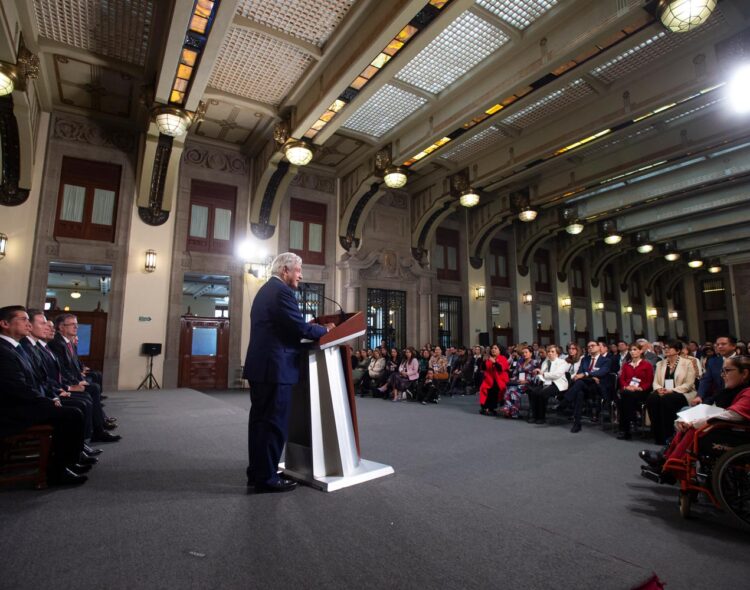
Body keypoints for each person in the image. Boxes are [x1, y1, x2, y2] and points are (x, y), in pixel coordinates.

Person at [243, 253, 334, 494]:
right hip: (275, 368)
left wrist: (312, 328)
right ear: (285, 270)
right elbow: (299, 327)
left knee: (260, 424)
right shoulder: (281, 292)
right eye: (298, 270)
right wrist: (324, 329)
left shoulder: (266, 290)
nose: (301, 275)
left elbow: (287, 327)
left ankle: (259, 472)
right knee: (273, 424)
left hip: (263, 367)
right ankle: (267, 479)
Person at [0, 305, 88, 486]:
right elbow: (17, 388)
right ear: (4, 323)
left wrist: (50, 397)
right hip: (12, 411)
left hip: (25, 403)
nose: (28, 325)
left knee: (75, 409)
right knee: (72, 413)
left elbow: (37, 380)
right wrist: (48, 401)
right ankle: (57, 471)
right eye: (23, 320)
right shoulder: (4, 351)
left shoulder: (16, 348)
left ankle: (69, 461)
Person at [640, 356, 750, 476]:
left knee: (694, 429)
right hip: (727, 429)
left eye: (727, 370)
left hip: (739, 435)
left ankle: (671, 467)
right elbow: (711, 407)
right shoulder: (729, 391)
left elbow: (733, 415)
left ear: (744, 373)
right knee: (685, 420)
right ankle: (666, 458)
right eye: (722, 371)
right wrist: (686, 419)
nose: (723, 375)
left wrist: (696, 422)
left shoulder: (747, 392)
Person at [645, 340, 696, 445]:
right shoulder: (660, 364)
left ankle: (669, 435)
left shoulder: (687, 363)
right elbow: (656, 382)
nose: (666, 350)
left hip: (682, 392)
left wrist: (672, 390)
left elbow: (689, 384)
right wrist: (659, 389)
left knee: (667, 399)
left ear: (677, 350)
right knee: (652, 398)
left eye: (669, 348)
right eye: (665, 348)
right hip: (663, 392)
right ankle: (658, 435)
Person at [559, 341, 613, 433]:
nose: (590, 347)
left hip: (597, 387)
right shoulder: (585, 359)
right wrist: (591, 376)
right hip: (586, 386)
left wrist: (586, 374)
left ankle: (565, 401)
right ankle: (577, 423)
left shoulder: (606, 360)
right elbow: (580, 372)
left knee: (579, 384)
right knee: (579, 392)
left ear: (599, 347)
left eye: (592, 346)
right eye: (588, 346)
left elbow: (602, 372)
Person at [616, 342, 654, 440]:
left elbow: (649, 381)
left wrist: (640, 388)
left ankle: (624, 429)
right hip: (627, 390)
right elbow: (622, 379)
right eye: (631, 350)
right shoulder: (626, 365)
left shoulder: (647, 365)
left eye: (635, 349)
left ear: (641, 351)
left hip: (641, 391)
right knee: (626, 396)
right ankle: (630, 424)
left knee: (623, 399)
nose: (632, 352)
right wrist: (626, 386)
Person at [526, 345, 569, 424]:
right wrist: (538, 374)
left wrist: (543, 374)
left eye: (552, 352)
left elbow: (557, 375)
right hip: (545, 382)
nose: (550, 353)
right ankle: (534, 416)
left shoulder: (562, 362)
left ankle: (541, 417)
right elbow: (542, 373)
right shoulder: (545, 361)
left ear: (557, 353)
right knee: (534, 392)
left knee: (542, 394)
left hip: (557, 384)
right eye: (548, 351)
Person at [695, 335, 736, 406]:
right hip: (718, 397)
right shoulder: (713, 361)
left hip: (738, 397)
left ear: (733, 346)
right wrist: (699, 396)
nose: (719, 346)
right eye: (717, 345)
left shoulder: (744, 361)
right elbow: (706, 380)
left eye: (723, 344)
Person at [478, 344, 509, 415]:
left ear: (499, 350)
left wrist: (494, 362)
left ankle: (491, 408)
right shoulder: (489, 359)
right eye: (492, 348)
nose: (493, 350)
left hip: (500, 380)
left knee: (493, 389)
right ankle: (485, 407)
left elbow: (501, 368)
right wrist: (483, 361)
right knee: (484, 388)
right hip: (489, 380)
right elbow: (483, 368)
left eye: (495, 348)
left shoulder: (502, 358)